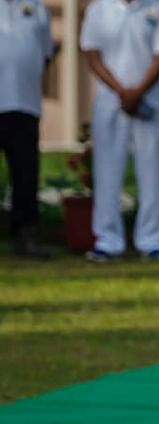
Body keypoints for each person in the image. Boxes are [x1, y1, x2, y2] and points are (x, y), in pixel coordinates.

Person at [79, 0, 159, 262]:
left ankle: (152, 240)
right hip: (110, 101)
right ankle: (108, 241)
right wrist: (121, 91)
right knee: (107, 171)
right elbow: (92, 55)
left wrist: (138, 91)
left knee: (152, 171)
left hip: (149, 100)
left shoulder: (156, 7)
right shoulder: (98, 9)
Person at [0, 0, 55, 260]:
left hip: (25, 103)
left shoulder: (37, 9)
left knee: (25, 174)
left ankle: (26, 235)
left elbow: (45, 55)